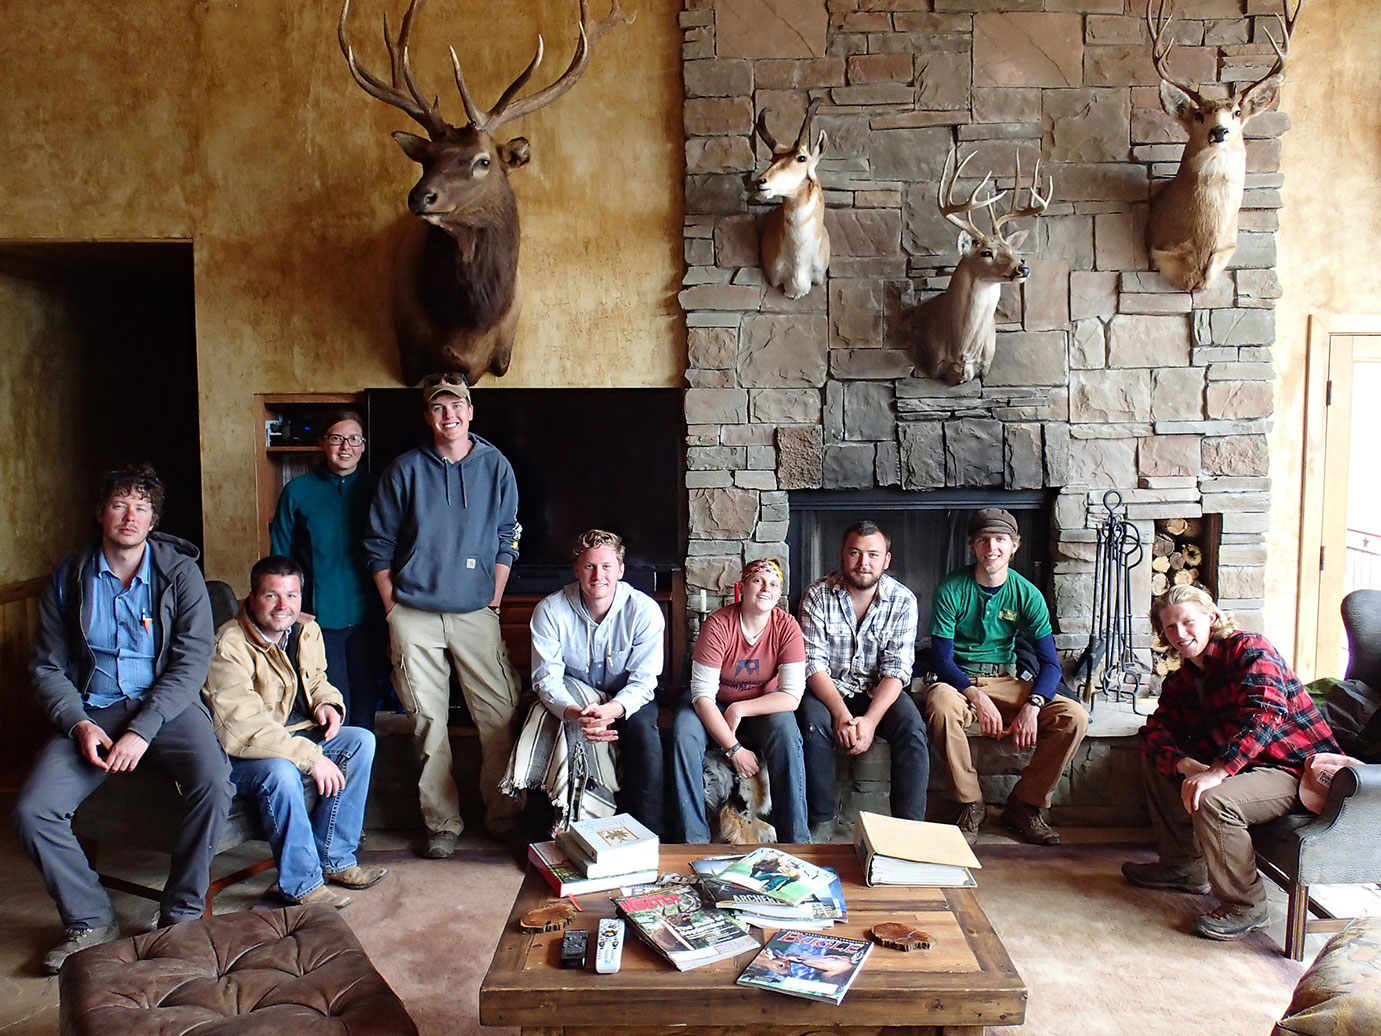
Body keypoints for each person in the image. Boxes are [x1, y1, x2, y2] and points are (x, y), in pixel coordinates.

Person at [15, 464, 233, 974]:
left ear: (154, 520)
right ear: (100, 513)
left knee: (215, 782)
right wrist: (78, 723)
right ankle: (90, 917)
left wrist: (142, 729)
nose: (129, 515)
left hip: (166, 705)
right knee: (32, 810)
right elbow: (47, 665)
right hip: (94, 707)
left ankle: (180, 914)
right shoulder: (70, 577)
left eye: (141, 506)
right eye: (119, 503)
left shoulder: (180, 574)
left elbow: (191, 660)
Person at [363, 372, 522, 859]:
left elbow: (507, 533)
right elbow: (378, 544)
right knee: (427, 723)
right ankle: (442, 824)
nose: (449, 415)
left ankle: (501, 817)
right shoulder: (404, 470)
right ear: (427, 415)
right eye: (438, 408)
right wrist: (393, 608)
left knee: (499, 716)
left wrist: (494, 597)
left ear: (471, 411)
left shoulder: (496, 467)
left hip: (476, 611)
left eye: (457, 407)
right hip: (414, 614)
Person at [1123, 584, 1340, 941]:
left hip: (1295, 768)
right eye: (1170, 628)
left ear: (1211, 617)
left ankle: (1247, 906)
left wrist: (1217, 772)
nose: (1180, 634)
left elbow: (1266, 712)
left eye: (1188, 622)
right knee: (1158, 757)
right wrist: (1185, 765)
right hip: (1247, 766)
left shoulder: (1250, 648)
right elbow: (1155, 730)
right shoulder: (1183, 680)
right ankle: (1183, 868)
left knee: (1214, 800)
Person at [202, 555, 388, 909]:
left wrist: (326, 705)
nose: (283, 606)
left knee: (360, 741)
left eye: (292, 595)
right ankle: (301, 884)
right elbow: (242, 728)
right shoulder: (227, 646)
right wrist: (311, 758)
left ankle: (335, 859)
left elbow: (317, 680)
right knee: (282, 771)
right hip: (239, 752)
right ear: (252, 598)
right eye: (271, 596)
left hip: (289, 735)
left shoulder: (305, 630)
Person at [923, 508, 1089, 846]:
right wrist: (976, 697)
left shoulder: (1027, 594)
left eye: (1000, 540)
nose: (991, 548)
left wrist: (1033, 705)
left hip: (1006, 679)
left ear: (1014, 545)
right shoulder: (952, 589)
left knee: (1074, 715)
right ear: (973, 547)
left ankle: (1026, 805)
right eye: (983, 540)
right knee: (939, 706)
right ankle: (970, 803)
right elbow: (941, 659)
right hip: (958, 682)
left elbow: (1050, 664)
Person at [507, 530, 666, 834]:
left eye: (606, 567)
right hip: (572, 697)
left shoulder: (644, 610)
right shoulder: (551, 610)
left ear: (620, 570)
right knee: (541, 720)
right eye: (590, 566)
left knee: (645, 733)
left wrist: (613, 711)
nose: (598, 576)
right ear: (577, 570)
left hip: (625, 696)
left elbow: (645, 681)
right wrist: (575, 714)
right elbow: (546, 680)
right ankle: (543, 832)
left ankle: (648, 833)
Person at [797, 521, 929, 840]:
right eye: (855, 553)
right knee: (813, 723)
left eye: (873, 554)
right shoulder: (817, 596)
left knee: (913, 729)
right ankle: (823, 818)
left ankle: (909, 829)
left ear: (886, 560)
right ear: (842, 554)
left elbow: (897, 670)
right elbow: (812, 665)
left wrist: (869, 722)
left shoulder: (903, 601)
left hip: (877, 691)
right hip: (829, 689)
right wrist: (842, 715)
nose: (863, 562)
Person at [672, 559, 809, 843]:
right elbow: (702, 696)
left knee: (786, 729)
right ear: (742, 588)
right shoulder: (719, 624)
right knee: (684, 730)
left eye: (773, 584)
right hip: (714, 703)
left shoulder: (787, 627)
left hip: (762, 704)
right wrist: (734, 749)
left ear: (779, 592)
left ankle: (797, 839)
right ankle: (693, 839)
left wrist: (740, 708)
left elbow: (792, 696)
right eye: (758, 581)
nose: (765, 588)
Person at [270, 409, 387, 731]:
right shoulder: (297, 491)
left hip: (371, 614)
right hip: (316, 619)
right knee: (327, 705)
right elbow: (280, 557)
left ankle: (363, 775)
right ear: (323, 443)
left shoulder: (380, 488)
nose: (345, 446)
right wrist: (292, 612)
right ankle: (329, 777)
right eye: (336, 438)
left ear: (364, 446)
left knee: (365, 705)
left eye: (353, 439)